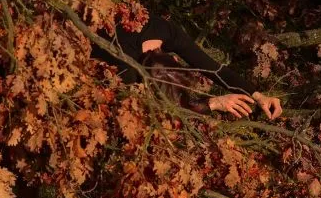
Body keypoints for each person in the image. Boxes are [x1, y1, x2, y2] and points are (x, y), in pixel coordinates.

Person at [92, 11, 283, 119]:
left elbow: (212, 68)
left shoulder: (162, 30)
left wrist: (258, 95)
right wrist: (214, 103)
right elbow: (170, 110)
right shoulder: (126, 72)